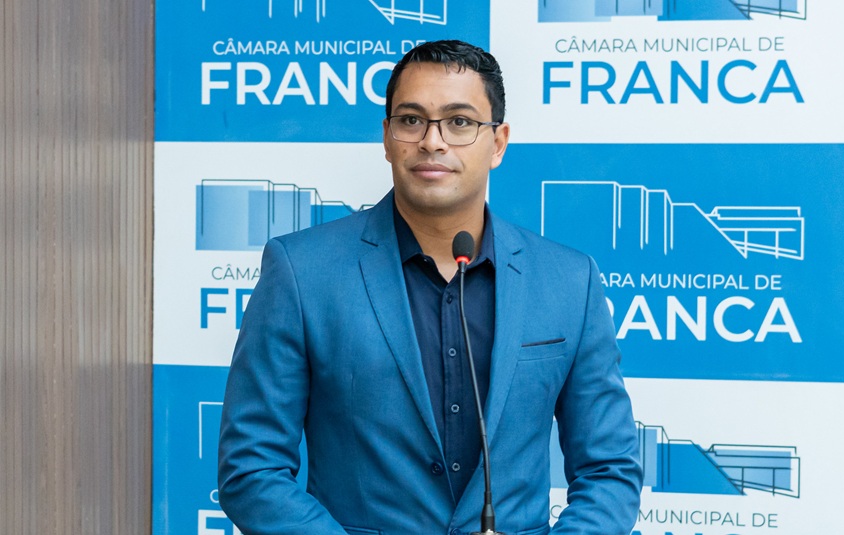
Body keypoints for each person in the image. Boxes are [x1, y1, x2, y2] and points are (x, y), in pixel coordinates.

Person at [218, 40, 642, 535]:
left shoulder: (569, 280)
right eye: (411, 120)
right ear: (387, 137)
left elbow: (609, 470)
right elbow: (252, 469)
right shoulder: (302, 271)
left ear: (498, 142)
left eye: (459, 122)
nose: (432, 141)